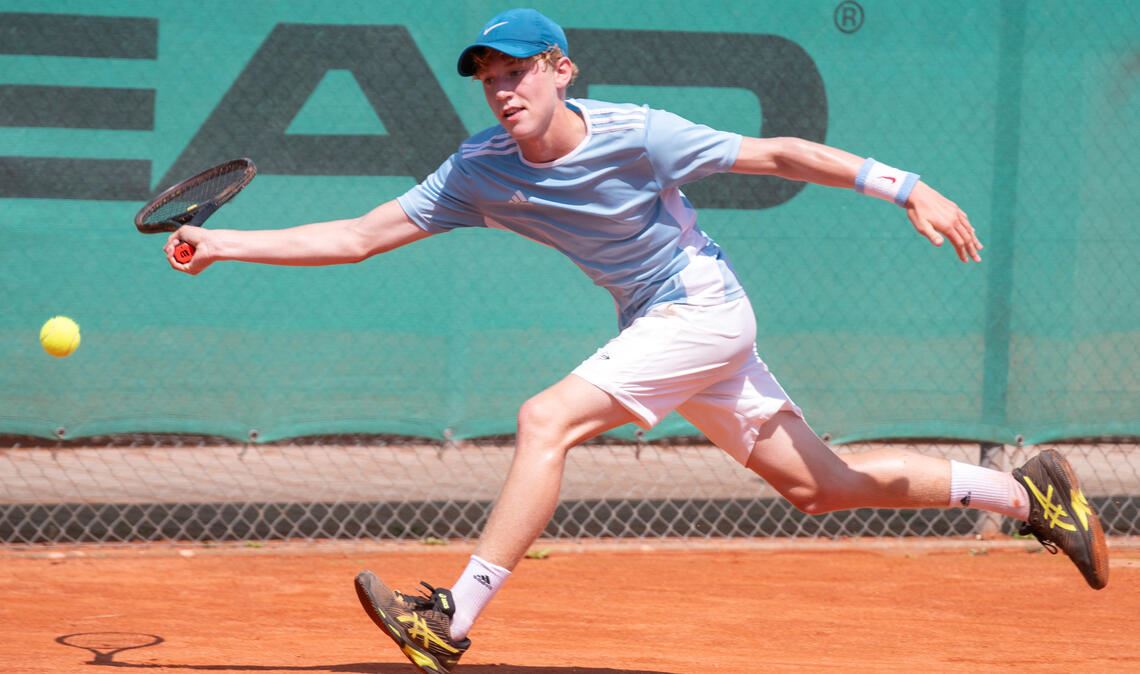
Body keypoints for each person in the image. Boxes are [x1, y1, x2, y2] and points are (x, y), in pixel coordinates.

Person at [165, 8, 1109, 673]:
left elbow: (778, 153)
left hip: (698, 307)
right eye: (490, 79)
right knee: (822, 488)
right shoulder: (480, 169)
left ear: (561, 70)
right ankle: (1027, 495)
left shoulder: (638, 134)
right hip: (663, 325)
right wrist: (224, 243)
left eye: (518, 71)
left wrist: (908, 186)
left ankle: (450, 619)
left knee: (545, 420)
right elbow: (361, 236)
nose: (503, 91)